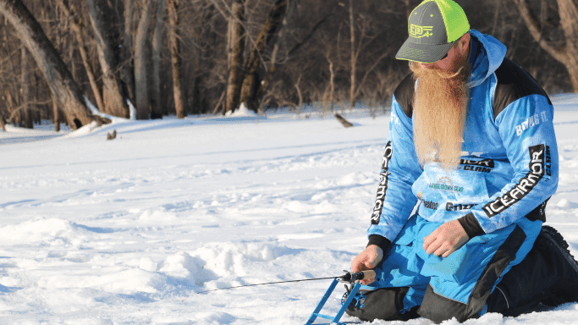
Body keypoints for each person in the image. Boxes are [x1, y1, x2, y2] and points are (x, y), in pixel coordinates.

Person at [345, 0, 578, 323]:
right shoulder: (409, 93)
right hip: (432, 218)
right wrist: (378, 241)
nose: (424, 66)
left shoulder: (513, 91)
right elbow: (398, 173)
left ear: (463, 42)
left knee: (450, 313)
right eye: (418, 54)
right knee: (369, 304)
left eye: (435, 55)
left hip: (492, 221)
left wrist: (469, 225)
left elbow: (538, 176)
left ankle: (546, 259)